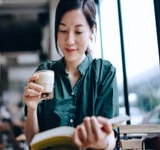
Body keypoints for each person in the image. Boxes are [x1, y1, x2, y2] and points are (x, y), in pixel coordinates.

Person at [23, 0, 119, 149]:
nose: (69, 40)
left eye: (78, 31)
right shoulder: (45, 72)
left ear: (91, 32)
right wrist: (32, 109)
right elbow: (32, 141)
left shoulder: (104, 73)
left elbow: (111, 136)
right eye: (62, 30)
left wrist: (102, 142)